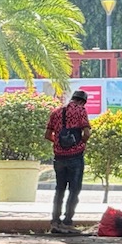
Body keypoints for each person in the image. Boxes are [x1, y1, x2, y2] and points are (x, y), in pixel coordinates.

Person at [45, 90, 90, 234]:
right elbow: (87, 133)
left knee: (60, 189)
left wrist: (59, 143)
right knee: (74, 190)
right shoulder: (81, 110)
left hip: (58, 157)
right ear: (83, 101)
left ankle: (55, 221)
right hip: (75, 156)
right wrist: (80, 143)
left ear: (72, 98)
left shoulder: (56, 112)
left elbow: (47, 135)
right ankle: (67, 221)